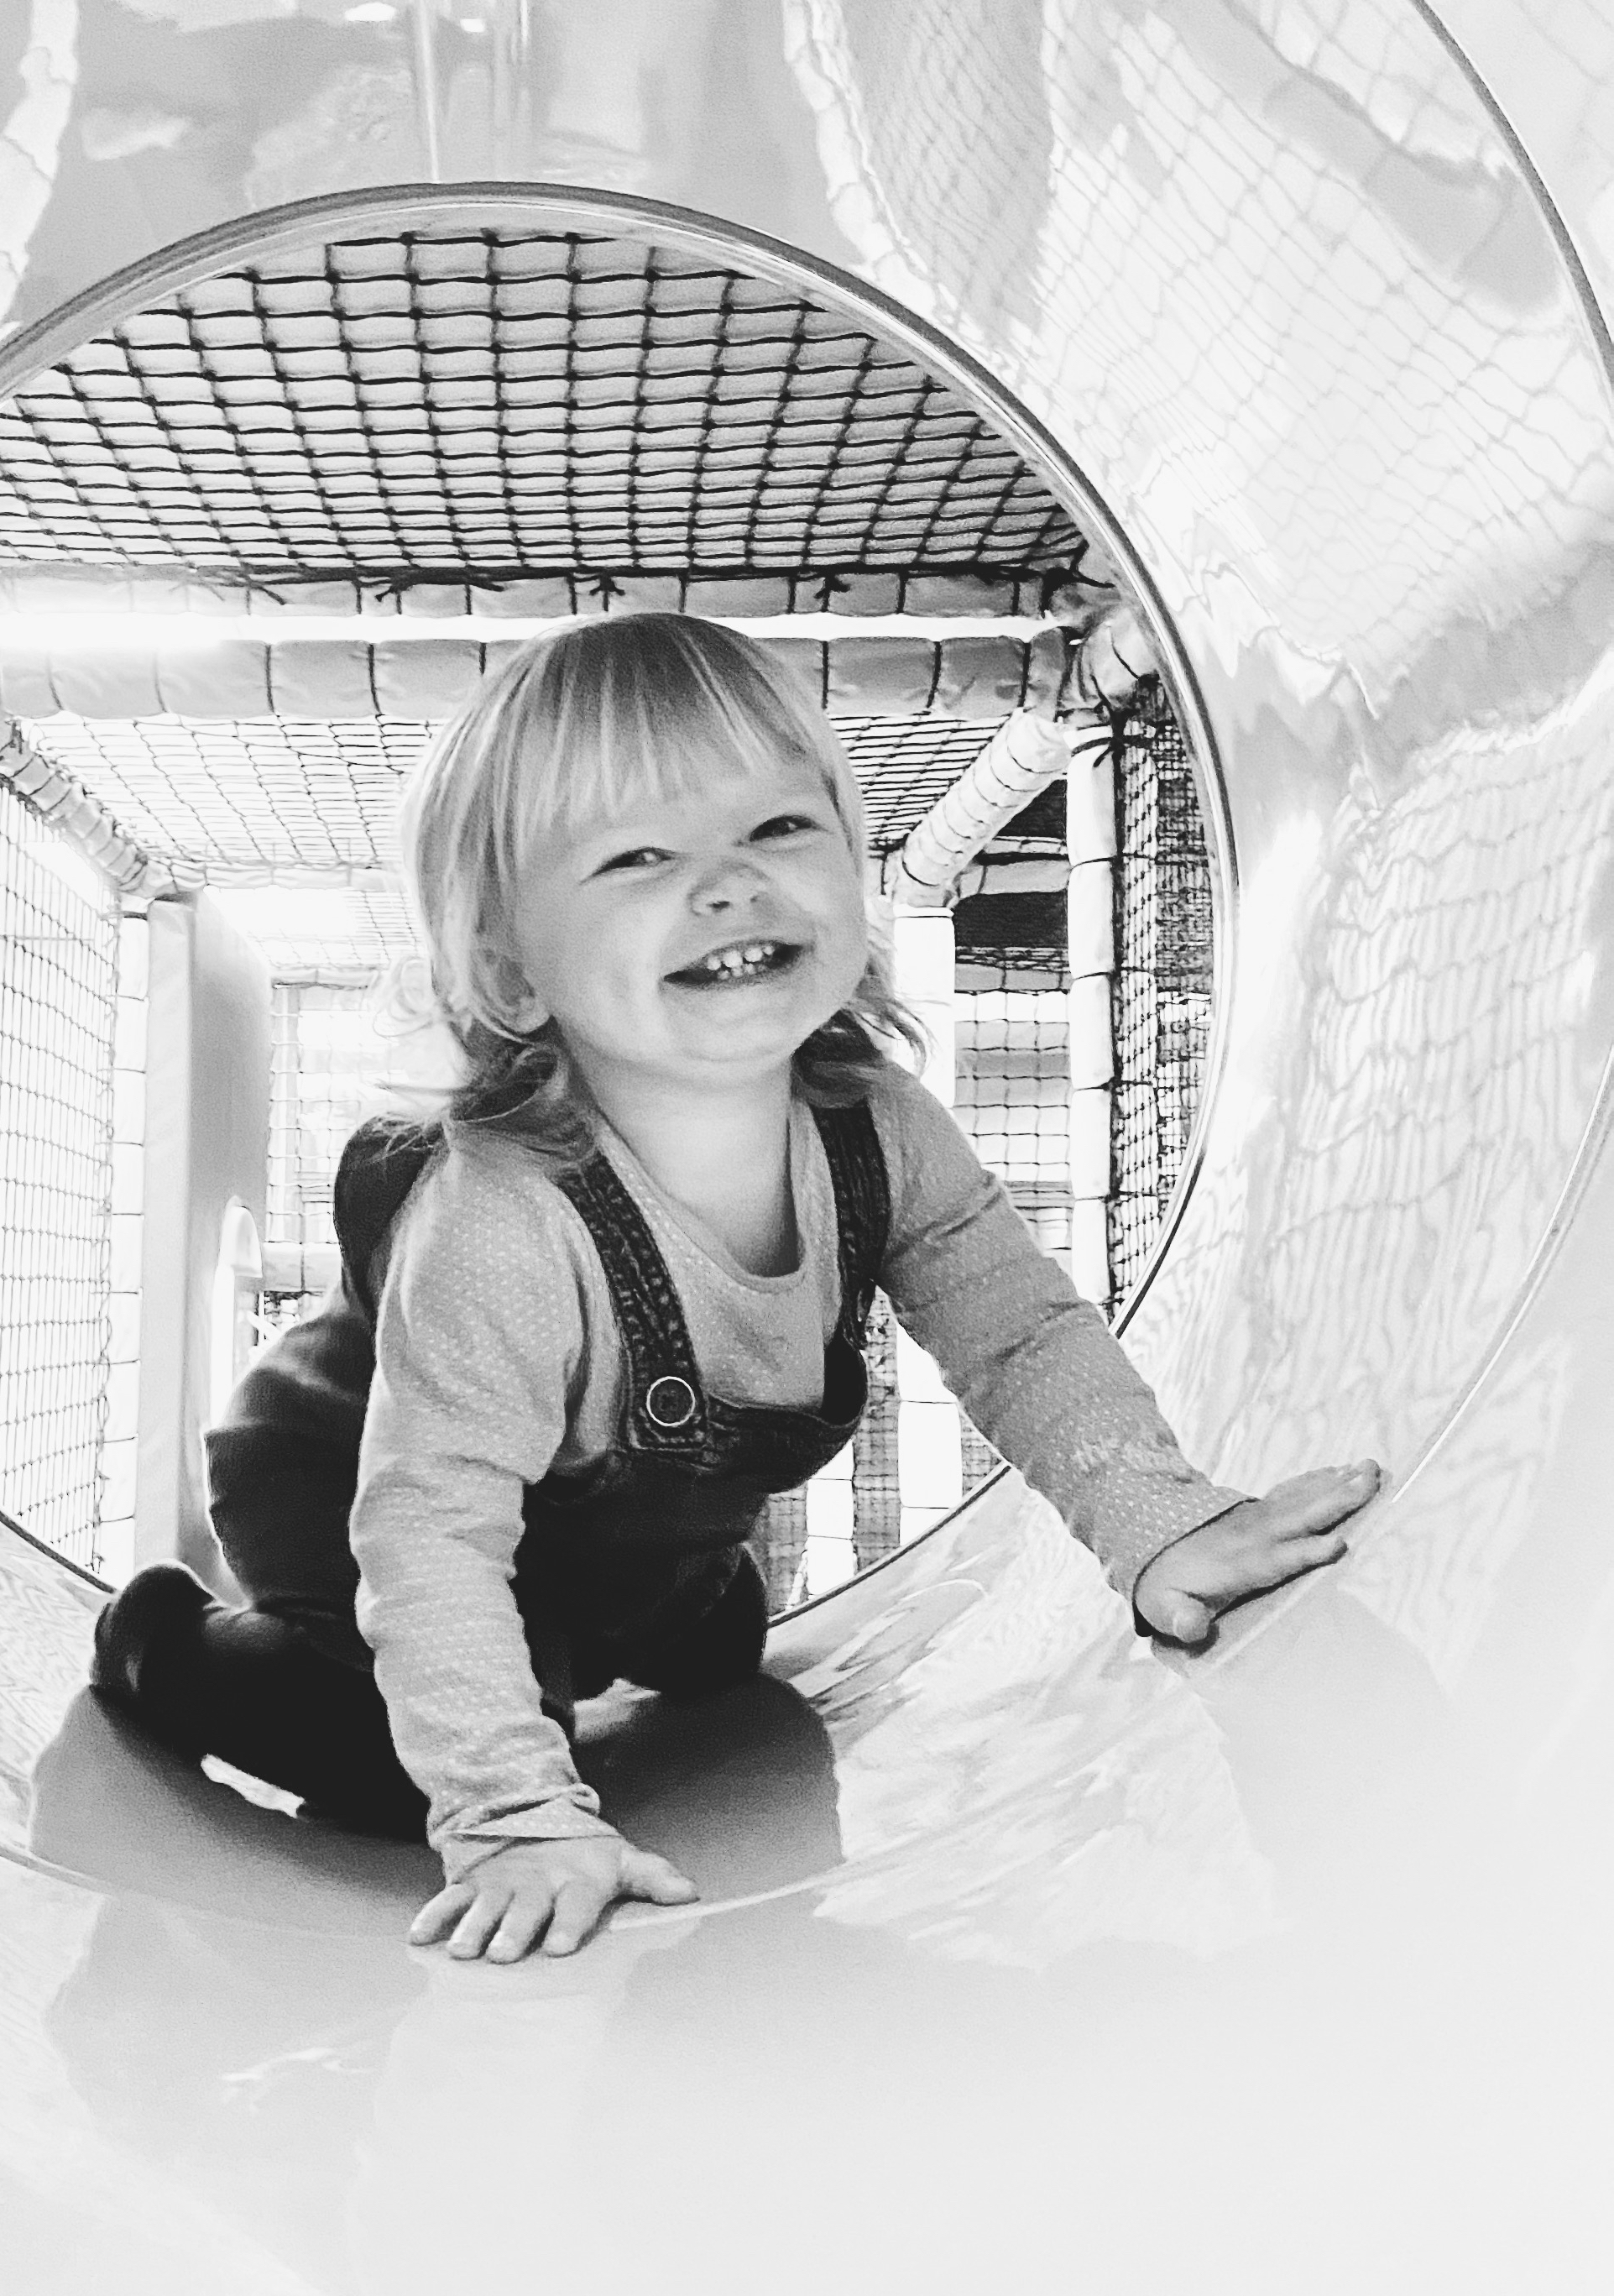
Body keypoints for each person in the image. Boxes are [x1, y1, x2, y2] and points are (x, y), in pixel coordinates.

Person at [93, 614, 1381, 1962]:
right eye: (639, 856)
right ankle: (164, 1642)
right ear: (511, 968)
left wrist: (1156, 1522)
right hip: (349, 1469)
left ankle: (634, 1611)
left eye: (776, 829)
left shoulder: (873, 1129)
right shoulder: (505, 1219)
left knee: (711, 1661)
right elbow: (432, 1535)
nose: (727, 886)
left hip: (618, 1526)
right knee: (383, 1771)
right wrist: (511, 1815)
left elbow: (1017, 1332)